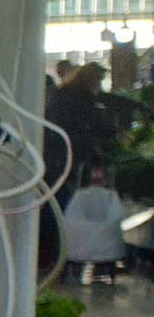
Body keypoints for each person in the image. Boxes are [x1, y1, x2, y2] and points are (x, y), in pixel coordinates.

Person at [42, 63, 113, 272]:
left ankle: (55, 254)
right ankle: (65, 252)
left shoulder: (62, 95)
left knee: (59, 207)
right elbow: (91, 128)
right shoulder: (82, 100)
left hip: (58, 160)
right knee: (70, 206)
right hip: (72, 159)